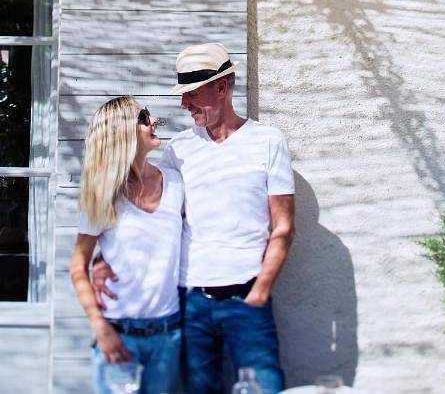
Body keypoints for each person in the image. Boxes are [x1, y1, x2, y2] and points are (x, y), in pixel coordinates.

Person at [94, 43, 295, 394]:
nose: (183, 105)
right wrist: (99, 258)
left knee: (266, 387)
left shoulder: (268, 141)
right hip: (190, 304)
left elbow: (283, 227)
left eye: (192, 95)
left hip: (246, 298)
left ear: (222, 87)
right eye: (183, 95)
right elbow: (143, 214)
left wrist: (261, 291)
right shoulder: (178, 150)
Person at [70, 96, 184, 394]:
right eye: (144, 117)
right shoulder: (103, 194)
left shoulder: (175, 183)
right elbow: (77, 267)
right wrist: (99, 327)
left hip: (168, 337)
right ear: (123, 131)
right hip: (118, 338)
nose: (154, 120)